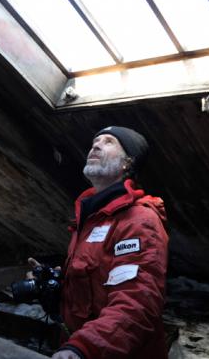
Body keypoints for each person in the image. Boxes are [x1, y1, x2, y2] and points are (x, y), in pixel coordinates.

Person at [49, 126, 170, 359]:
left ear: (128, 163)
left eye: (109, 142)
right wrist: (57, 288)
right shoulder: (89, 218)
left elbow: (137, 302)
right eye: (95, 140)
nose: (95, 145)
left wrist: (84, 348)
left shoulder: (139, 220)